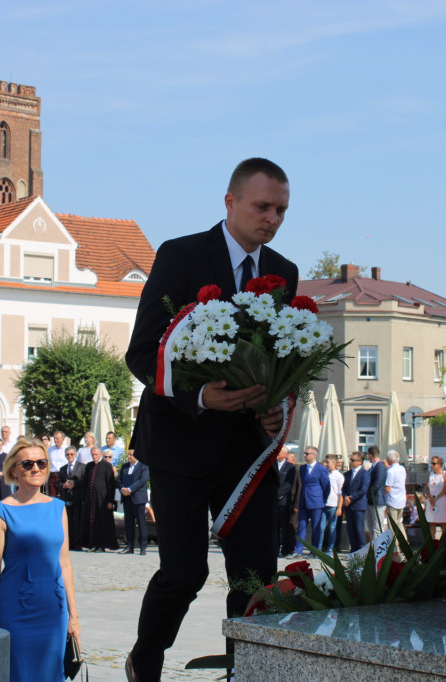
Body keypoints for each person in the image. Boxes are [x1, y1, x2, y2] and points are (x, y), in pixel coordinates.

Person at [124, 157, 298, 681]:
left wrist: (275, 407)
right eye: (262, 206)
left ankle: (243, 671)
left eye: (282, 210)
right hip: (179, 445)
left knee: (255, 575)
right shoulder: (180, 256)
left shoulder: (283, 273)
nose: (271, 218)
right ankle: (145, 659)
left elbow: (282, 359)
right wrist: (200, 396)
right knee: (184, 572)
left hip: (248, 452)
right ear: (230, 202)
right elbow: (142, 353)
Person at [0, 438, 80, 682]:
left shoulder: (58, 508)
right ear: (14, 470)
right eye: (27, 464)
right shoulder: (0, 512)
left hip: (53, 610)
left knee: (51, 673)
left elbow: (65, 563)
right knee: (20, 673)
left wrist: (74, 616)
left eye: (41, 462)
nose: (35, 468)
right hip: (15, 610)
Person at [293, 446, 330, 556]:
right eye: (304, 453)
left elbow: (326, 486)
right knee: (301, 527)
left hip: (316, 501)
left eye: (307, 453)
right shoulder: (303, 468)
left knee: (316, 528)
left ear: (314, 455)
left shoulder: (321, 468)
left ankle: (314, 551)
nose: (305, 455)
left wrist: (322, 499)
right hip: (304, 501)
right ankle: (298, 550)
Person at [82, 446, 118, 552]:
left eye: (96, 454)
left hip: (103, 499)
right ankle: (91, 544)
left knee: (102, 521)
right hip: (91, 499)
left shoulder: (107, 465)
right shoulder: (89, 466)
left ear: (100, 455)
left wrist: (110, 501)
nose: (94, 456)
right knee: (91, 521)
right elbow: (86, 482)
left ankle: (102, 545)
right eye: (93, 455)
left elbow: (111, 484)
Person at [118, 450, 150, 555]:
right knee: (128, 524)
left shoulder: (143, 466)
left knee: (141, 523)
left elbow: (143, 481)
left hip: (138, 499)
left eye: (131, 455)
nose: (129, 456)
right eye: (128, 454)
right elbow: (119, 480)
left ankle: (143, 546)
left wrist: (130, 489)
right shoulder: (125, 466)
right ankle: (130, 545)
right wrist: (123, 489)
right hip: (127, 499)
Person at [58, 446, 86, 550]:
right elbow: (58, 483)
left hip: (78, 498)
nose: (70, 456)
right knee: (68, 521)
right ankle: (69, 543)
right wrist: (63, 485)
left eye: (71, 454)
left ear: (76, 455)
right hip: (67, 498)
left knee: (78, 522)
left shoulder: (82, 467)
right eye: (68, 454)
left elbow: (85, 481)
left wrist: (75, 483)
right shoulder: (63, 468)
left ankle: (78, 543)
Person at [343, 452, 370, 552]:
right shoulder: (348, 474)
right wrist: (345, 497)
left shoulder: (365, 474)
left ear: (360, 462)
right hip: (349, 505)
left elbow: (363, 490)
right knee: (350, 529)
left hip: (358, 505)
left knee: (359, 529)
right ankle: (353, 549)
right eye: (351, 460)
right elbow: (344, 488)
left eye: (353, 460)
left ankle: (361, 550)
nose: (351, 462)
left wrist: (351, 498)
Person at [319, 455, 345, 554]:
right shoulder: (325, 474)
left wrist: (339, 507)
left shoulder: (339, 476)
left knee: (332, 528)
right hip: (324, 504)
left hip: (333, 505)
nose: (326, 464)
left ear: (333, 463)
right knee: (321, 527)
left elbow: (340, 493)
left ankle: (331, 548)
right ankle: (319, 547)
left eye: (327, 462)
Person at [274, 450, 297, 558]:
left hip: (284, 501)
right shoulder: (273, 464)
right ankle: (275, 548)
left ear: (285, 454)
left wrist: (278, 495)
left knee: (285, 526)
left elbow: (289, 484)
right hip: (273, 501)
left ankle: (285, 549)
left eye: (279, 452)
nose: (277, 454)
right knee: (275, 526)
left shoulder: (290, 467)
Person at [384, 450, 408, 547]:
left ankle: (395, 546)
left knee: (392, 525)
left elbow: (387, 488)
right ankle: (404, 543)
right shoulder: (402, 468)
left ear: (389, 459)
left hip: (392, 500)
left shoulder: (390, 471)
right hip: (401, 499)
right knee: (399, 522)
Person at [425, 456, 446, 541]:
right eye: (431, 463)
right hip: (431, 501)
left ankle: (443, 542)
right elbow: (427, 487)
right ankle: (433, 542)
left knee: (443, 523)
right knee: (432, 523)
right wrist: (430, 498)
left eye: (434, 463)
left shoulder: (444, 474)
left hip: (440, 500)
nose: (432, 465)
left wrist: (436, 499)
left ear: (439, 464)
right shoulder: (430, 474)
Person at [365, 446, 389, 541]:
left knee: (377, 528)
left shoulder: (380, 467)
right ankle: (374, 548)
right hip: (372, 501)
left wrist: (367, 496)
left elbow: (377, 484)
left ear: (370, 455)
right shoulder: (374, 467)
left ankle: (379, 551)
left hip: (377, 501)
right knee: (371, 527)